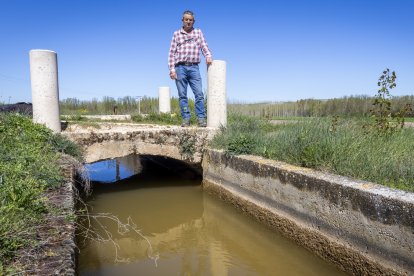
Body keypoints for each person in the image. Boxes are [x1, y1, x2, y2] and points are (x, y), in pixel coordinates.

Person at [168, 10, 212, 127]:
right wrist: (172, 70)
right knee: (182, 95)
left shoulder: (198, 32)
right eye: (186, 19)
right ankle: (186, 119)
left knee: (199, 94)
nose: (188, 21)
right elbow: (171, 53)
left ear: (193, 21)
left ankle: (201, 118)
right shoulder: (176, 34)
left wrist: (208, 55)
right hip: (180, 67)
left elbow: (204, 45)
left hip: (194, 68)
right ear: (182, 20)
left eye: (190, 20)